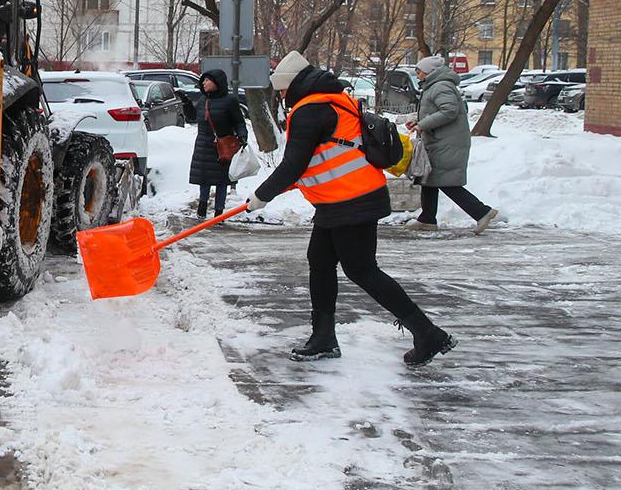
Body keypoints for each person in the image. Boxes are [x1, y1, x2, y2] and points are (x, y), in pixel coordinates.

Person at [246, 50, 456, 367]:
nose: (284, 96)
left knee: (361, 270)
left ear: (293, 85)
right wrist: (288, 184)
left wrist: (262, 195)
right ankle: (324, 337)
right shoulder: (331, 101)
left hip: (351, 200)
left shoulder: (310, 110)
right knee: (320, 261)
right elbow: (320, 158)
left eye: (284, 90)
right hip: (341, 200)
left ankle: (427, 333)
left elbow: (293, 164)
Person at [404, 55, 501, 235]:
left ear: (430, 71)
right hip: (438, 140)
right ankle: (427, 219)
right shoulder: (434, 86)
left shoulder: (441, 86)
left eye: (419, 71)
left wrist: (423, 125)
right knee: (429, 178)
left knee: (445, 181)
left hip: (447, 142)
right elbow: (435, 111)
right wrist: (417, 122)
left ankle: (482, 212)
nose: (417, 75)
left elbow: (449, 111)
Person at [189, 68, 248, 218]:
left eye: (208, 80)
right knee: (204, 179)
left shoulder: (230, 101)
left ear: (217, 83)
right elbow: (194, 118)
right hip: (204, 144)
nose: (204, 83)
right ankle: (202, 209)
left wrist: (242, 136)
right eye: (204, 80)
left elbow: (239, 122)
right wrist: (186, 105)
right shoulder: (203, 100)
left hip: (222, 145)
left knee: (221, 181)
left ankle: (219, 213)